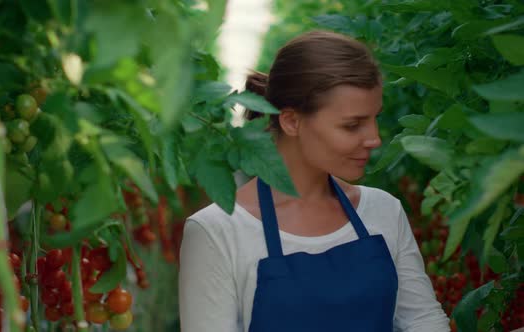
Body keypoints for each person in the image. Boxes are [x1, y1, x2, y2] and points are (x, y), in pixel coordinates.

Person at [178, 30, 450, 331]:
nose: (374, 139)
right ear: (291, 121)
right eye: (352, 125)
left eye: (374, 118)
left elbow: (423, 321)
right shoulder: (218, 232)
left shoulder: (384, 210)